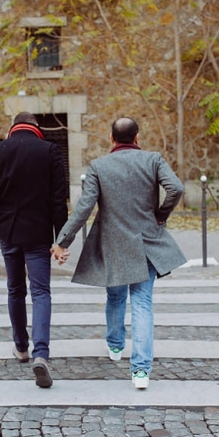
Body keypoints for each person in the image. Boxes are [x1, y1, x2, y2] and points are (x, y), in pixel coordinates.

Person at [50, 117, 186, 390]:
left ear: (111, 139)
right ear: (137, 138)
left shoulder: (99, 166)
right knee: (142, 303)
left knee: (114, 295)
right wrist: (160, 215)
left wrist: (63, 241)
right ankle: (140, 371)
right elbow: (176, 188)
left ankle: (115, 344)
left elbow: (84, 208)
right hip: (145, 241)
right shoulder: (153, 160)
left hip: (111, 243)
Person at [0, 112, 68, 388]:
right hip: (39, 232)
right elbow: (58, 200)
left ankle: (21, 347)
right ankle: (42, 354)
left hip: (9, 231)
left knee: (15, 289)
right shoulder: (50, 150)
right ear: (36, 127)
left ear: (12, 128)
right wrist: (61, 240)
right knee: (41, 292)